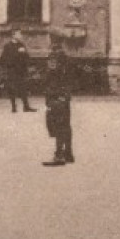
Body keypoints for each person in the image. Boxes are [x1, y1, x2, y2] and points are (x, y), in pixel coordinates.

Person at [41, 33, 75, 166]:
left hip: (55, 94)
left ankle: (59, 155)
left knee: (58, 124)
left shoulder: (54, 56)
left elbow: (50, 76)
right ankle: (69, 153)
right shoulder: (66, 57)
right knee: (66, 123)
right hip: (65, 95)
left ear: (52, 41)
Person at [0, 29, 36, 113]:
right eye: (19, 34)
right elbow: (3, 59)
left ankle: (26, 107)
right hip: (12, 70)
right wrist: (17, 53)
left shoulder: (21, 45)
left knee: (23, 88)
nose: (20, 36)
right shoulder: (7, 46)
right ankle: (13, 107)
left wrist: (24, 54)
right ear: (13, 35)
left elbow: (27, 57)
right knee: (12, 88)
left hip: (21, 70)